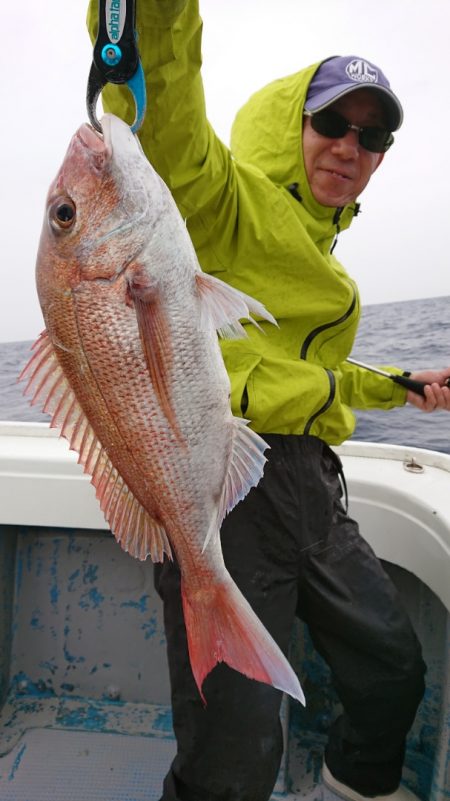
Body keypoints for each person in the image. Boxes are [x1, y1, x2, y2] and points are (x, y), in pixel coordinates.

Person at [87, 3, 450, 800]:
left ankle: (352, 782)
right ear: (294, 123)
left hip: (313, 487)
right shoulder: (222, 203)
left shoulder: (328, 261)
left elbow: (300, 370)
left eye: (373, 135)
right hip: (224, 488)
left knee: (394, 664)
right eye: (333, 122)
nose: (350, 146)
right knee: (233, 751)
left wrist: (399, 382)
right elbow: (169, 115)